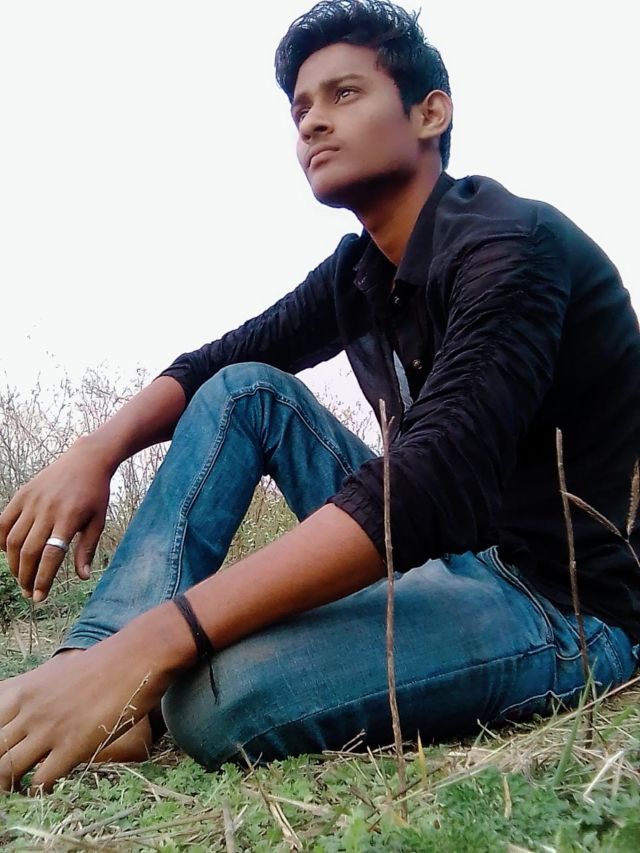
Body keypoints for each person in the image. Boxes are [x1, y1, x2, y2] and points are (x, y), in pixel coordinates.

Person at [0, 0, 638, 793]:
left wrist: (164, 640)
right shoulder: (360, 271)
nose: (311, 122)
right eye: (300, 107)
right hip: (441, 556)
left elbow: (433, 481)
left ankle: (125, 670)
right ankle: (89, 673)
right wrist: (95, 451)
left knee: (216, 698)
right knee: (245, 392)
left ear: (430, 113)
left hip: (561, 601)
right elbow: (215, 364)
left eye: (344, 93)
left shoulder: (512, 245)